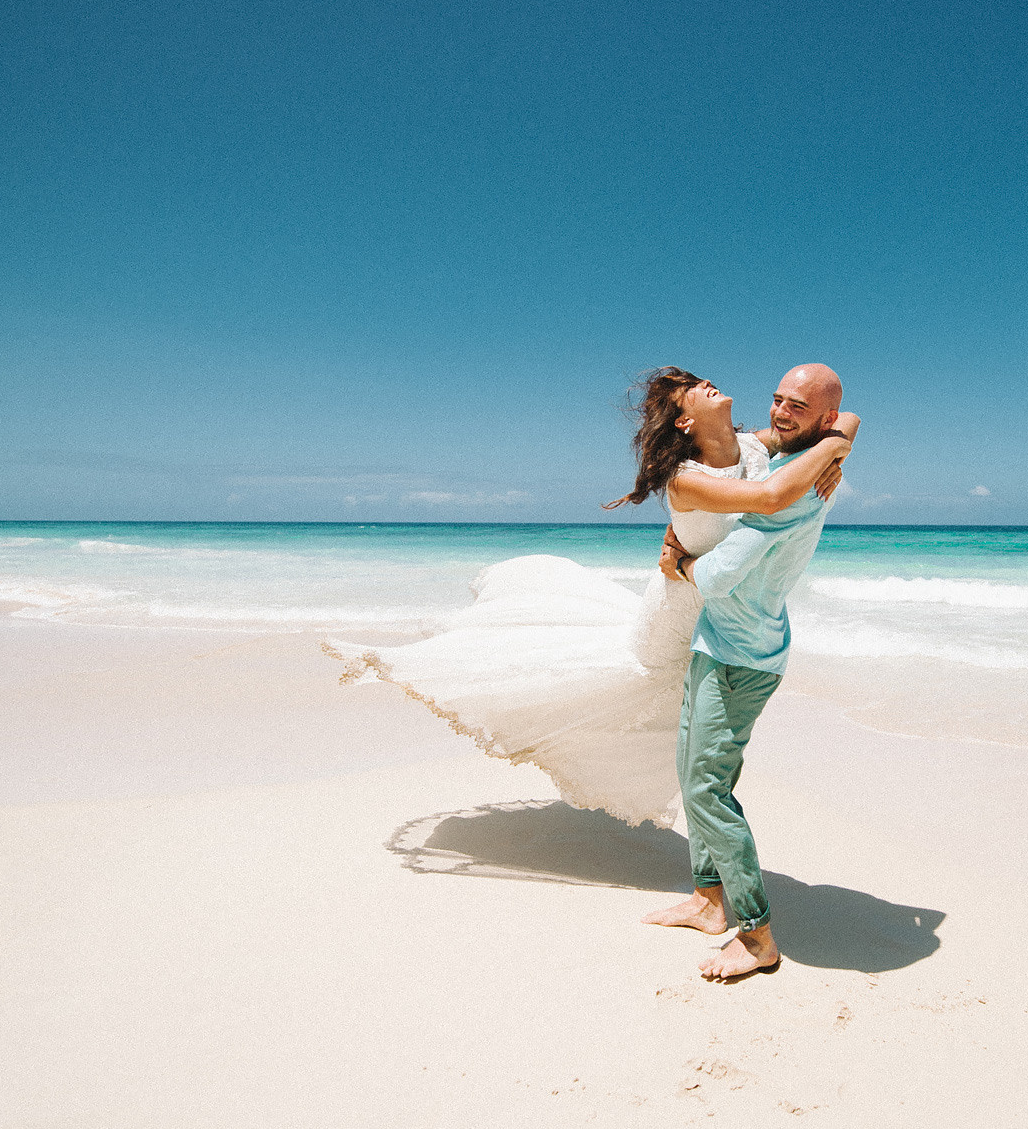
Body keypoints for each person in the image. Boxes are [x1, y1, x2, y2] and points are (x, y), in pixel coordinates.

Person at [320, 367, 854, 835]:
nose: (703, 383)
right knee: (629, 687)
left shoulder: (756, 446)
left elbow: (845, 416)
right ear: (685, 424)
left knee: (686, 737)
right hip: (678, 610)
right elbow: (768, 497)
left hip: (712, 611)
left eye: (697, 380)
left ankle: (709, 856)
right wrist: (831, 448)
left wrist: (840, 437)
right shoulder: (685, 477)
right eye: (689, 391)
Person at [639, 363, 851, 981]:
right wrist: (838, 437)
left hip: (744, 655)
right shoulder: (772, 452)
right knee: (693, 767)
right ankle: (708, 900)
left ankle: (757, 935)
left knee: (707, 786)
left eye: (797, 406)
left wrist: (679, 565)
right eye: (777, 399)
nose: (781, 413)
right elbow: (833, 426)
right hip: (718, 642)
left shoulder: (791, 485)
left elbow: (719, 574)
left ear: (824, 417)